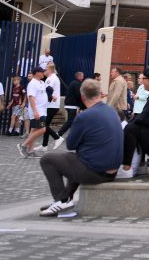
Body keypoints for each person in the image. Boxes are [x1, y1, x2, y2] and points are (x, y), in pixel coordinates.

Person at [37, 78, 122, 217]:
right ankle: (67, 197)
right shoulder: (111, 110)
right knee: (75, 157)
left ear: (82, 96)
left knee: (47, 159)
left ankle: (62, 200)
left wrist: (78, 123)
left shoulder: (85, 116)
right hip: (112, 170)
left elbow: (70, 144)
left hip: (97, 173)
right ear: (100, 94)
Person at [18, 67, 50, 157]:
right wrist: (35, 111)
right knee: (43, 129)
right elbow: (31, 97)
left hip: (43, 111)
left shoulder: (42, 82)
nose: (43, 73)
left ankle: (30, 150)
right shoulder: (32, 83)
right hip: (38, 111)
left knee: (34, 130)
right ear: (37, 73)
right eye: (42, 72)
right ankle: (23, 145)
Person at [54, 71, 84, 147]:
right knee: (70, 121)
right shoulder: (77, 84)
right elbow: (79, 95)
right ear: (80, 77)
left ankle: (72, 136)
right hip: (72, 105)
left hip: (70, 104)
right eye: (82, 76)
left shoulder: (74, 83)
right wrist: (83, 105)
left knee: (73, 121)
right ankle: (58, 134)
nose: (83, 77)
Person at [41, 64, 62, 150]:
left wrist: (50, 96)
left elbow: (48, 90)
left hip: (51, 105)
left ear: (49, 70)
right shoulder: (51, 78)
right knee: (46, 125)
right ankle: (44, 145)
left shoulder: (51, 79)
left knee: (43, 125)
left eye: (45, 69)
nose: (44, 71)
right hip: (51, 105)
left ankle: (57, 137)